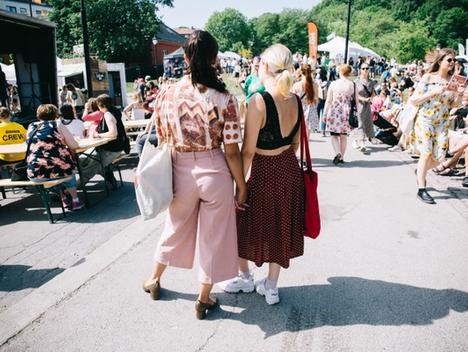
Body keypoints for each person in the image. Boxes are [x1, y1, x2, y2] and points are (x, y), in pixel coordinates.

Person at [142, 30, 247, 320]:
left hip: (180, 169)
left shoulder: (167, 93)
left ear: (186, 58)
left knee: (174, 228)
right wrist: (241, 185)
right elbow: (232, 149)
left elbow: (162, 136)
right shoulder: (225, 99)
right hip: (214, 169)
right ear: (214, 58)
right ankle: (203, 298)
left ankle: (153, 279)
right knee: (216, 237)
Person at [220, 44, 304, 306]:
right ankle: (271, 285)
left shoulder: (259, 100)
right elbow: (296, 143)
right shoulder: (296, 100)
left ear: (264, 66)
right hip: (289, 169)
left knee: (242, 221)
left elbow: (247, 151)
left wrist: (239, 185)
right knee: (281, 224)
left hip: (264, 170)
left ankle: (245, 276)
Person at [409, 48, 464, 204]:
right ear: (440, 61)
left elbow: (455, 105)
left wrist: (459, 94)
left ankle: (421, 169)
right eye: (449, 60)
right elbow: (414, 100)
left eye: (454, 60)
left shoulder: (453, 81)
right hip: (425, 120)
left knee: (440, 157)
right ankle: (422, 189)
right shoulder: (428, 78)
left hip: (442, 122)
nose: (453, 63)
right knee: (426, 154)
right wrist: (433, 92)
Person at [26, 104, 84, 210]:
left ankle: (63, 198)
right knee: (67, 168)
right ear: (55, 114)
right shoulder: (57, 124)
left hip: (34, 172)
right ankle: (75, 200)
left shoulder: (32, 126)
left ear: (38, 115)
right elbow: (73, 145)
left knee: (54, 167)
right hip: (58, 171)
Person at [78, 94, 129, 187]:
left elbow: (113, 133)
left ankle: (70, 192)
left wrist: (98, 135)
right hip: (112, 147)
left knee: (90, 168)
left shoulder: (108, 114)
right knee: (82, 160)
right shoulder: (114, 111)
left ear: (101, 105)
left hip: (112, 149)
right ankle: (108, 175)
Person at [324, 64, 357, 164]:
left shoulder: (334, 84)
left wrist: (325, 113)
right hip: (346, 111)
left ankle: (338, 153)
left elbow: (328, 100)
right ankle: (342, 157)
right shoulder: (352, 84)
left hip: (335, 110)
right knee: (343, 136)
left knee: (334, 135)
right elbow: (356, 100)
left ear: (341, 72)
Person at [353, 63, 376, 153]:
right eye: (363, 68)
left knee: (367, 123)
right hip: (359, 105)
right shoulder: (356, 81)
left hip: (367, 106)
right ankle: (362, 143)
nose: (365, 70)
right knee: (360, 123)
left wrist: (371, 98)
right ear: (360, 70)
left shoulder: (371, 82)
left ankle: (356, 140)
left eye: (367, 68)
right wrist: (363, 99)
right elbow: (354, 95)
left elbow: (373, 93)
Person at [291, 63, 319, 134]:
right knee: (307, 135)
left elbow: (292, 99)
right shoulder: (314, 85)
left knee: (298, 134)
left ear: (301, 72)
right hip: (310, 109)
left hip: (299, 109)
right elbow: (316, 99)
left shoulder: (296, 85)